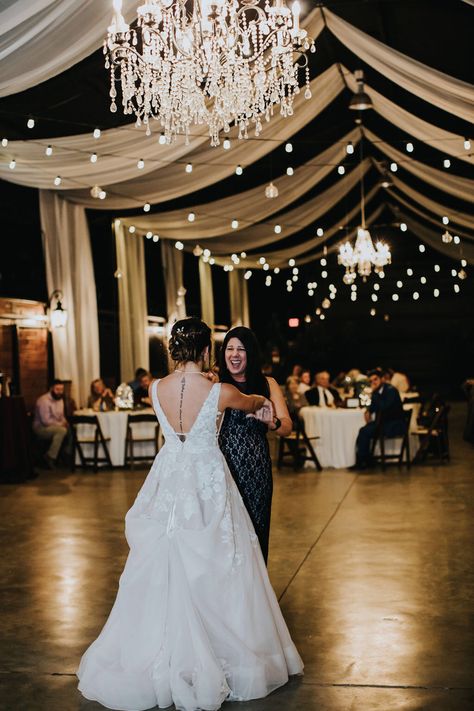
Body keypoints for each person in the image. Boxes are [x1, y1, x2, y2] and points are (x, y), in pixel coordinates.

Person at [77, 317, 303, 711]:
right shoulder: (220, 391)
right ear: (205, 351)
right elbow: (255, 404)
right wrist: (263, 406)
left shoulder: (154, 388)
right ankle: (222, 649)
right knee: (219, 559)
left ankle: (162, 645)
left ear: (173, 351)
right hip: (208, 477)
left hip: (169, 475)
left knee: (166, 557)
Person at [218, 327, 292, 563]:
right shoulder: (215, 383)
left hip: (256, 471)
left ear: (250, 353)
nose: (235, 354)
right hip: (220, 469)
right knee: (225, 535)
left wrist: (272, 421)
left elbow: (287, 428)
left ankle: (255, 596)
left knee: (255, 530)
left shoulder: (268, 384)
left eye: (241, 349)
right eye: (230, 348)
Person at [350, 368, 406, 470]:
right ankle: (364, 460)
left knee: (364, 431)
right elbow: (374, 407)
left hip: (394, 425)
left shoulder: (391, 390)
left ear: (382, 379)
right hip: (383, 423)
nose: (373, 382)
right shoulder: (378, 391)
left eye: (375, 379)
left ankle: (364, 461)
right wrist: (368, 411)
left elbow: (384, 406)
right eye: (371, 381)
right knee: (363, 431)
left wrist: (373, 393)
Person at [33, 379, 69, 468]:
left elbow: (62, 416)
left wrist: (65, 422)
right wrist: (61, 425)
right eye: (57, 389)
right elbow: (46, 421)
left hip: (55, 426)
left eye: (61, 390)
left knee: (71, 429)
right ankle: (50, 456)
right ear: (51, 389)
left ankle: (67, 455)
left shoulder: (60, 399)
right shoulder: (43, 401)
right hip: (41, 428)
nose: (60, 392)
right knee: (61, 431)